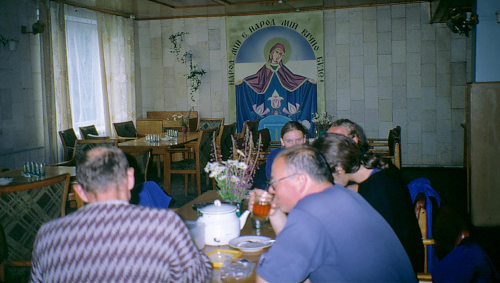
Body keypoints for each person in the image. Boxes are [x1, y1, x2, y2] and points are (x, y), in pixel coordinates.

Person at [30, 147, 212, 283]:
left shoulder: (47, 236)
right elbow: (199, 278)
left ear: (79, 191)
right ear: (131, 178)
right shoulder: (164, 224)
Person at [251, 145, 416, 283]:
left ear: (300, 181)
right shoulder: (343, 194)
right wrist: (274, 211)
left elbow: (267, 280)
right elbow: (300, 261)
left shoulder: (309, 213)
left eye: (274, 182)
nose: (271, 190)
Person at [313, 133, 425, 273]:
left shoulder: (377, 190)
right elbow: (359, 189)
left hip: (398, 267)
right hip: (402, 253)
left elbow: (376, 247)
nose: (328, 182)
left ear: (340, 169)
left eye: (327, 176)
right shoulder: (380, 169)